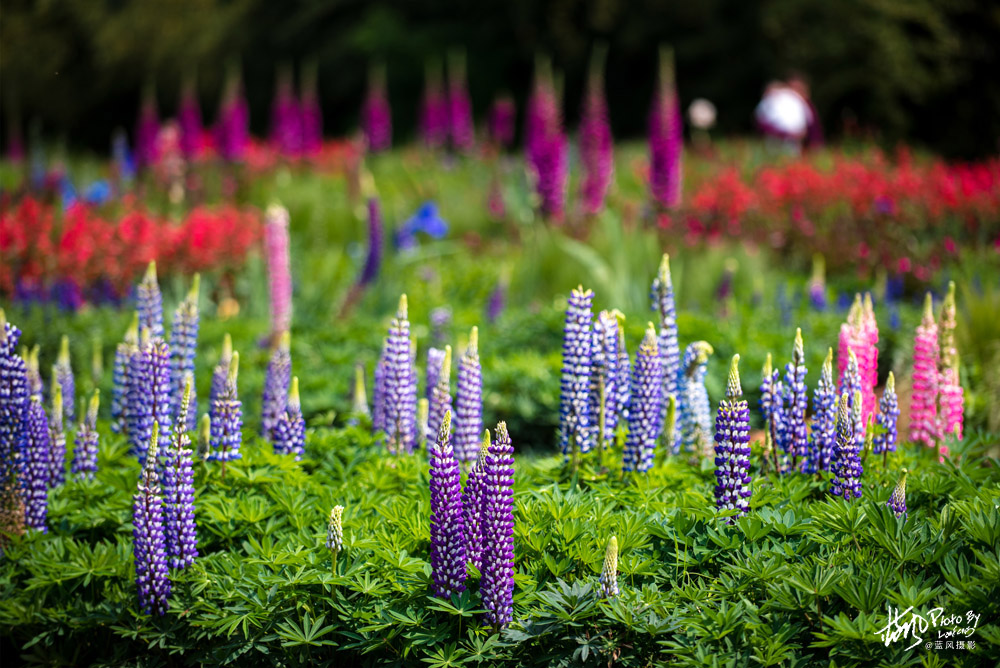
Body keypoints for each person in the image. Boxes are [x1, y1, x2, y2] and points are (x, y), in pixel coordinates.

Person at [755, 75, 821, 154]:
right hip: (775, 142)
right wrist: (786, 134)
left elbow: (813, 128)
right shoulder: (773, 102)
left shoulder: (804, 105)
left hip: (794, 145)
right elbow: (762, 123)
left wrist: (815, 144)